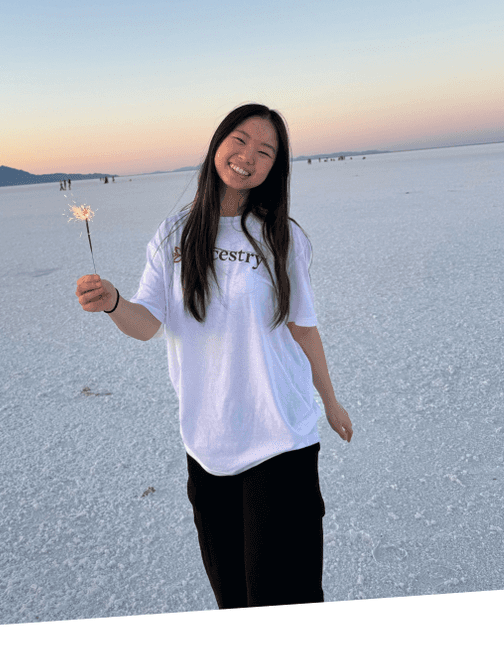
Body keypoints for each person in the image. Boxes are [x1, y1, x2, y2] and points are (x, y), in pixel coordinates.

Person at [75, 103, 352, 609]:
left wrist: (330, 403)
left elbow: (304, 329)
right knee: (234, 603)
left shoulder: (284, 238)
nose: (248, 157)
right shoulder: (173, 235)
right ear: (218, 143)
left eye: (265, 151)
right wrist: (114, 302)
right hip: (207, 445)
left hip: (280, 439)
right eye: (241, 140)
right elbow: (147, 324)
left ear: (275, 167)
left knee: (284, 603)